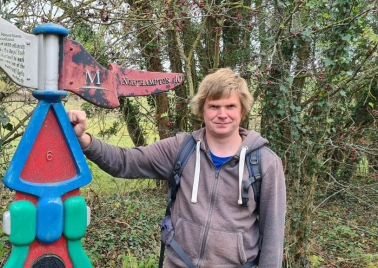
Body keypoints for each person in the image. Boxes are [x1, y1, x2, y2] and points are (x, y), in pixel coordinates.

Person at [67, 68, 286, 267]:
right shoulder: (182, 148)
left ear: (242, 111)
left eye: (230, 106)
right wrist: (85, 139)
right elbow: (125, 162)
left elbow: (273, 235)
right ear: (202, 109)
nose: (222, 114)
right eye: (214, 106)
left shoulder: (264, 162)